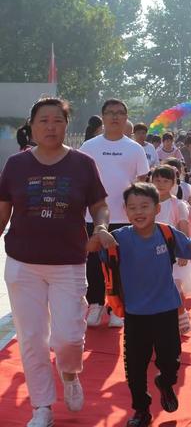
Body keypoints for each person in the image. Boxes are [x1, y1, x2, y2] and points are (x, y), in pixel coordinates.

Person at [0, 97, 116, 427]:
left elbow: (99, 205)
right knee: (32, 338)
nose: (50, 126)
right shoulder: (16, 165)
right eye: (43, 121)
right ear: (32, 126)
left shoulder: (81, 163)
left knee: (68, 337)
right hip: (23, 264)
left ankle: (70, 373)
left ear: (66, 125)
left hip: (69, 262)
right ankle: (42, 408)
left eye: (57, 121)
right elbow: (3, 210)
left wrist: (103, 226)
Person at [89, 182, 191, 427]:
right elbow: (89, 249)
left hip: (166, 311)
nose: (139, 212)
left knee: (171, 361)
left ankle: (165, 382)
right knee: (135, 367)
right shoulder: (118, 238)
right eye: (132, 208)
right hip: (135, 314)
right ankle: (141, 410)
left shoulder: (166, 233)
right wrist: (100, 232)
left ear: (157, 208)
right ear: (126, 212)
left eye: (144, 206)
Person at [80, 98, 150, 328]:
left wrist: (141, 214)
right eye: (110, 113)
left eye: (120, 113)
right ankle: (96, 305)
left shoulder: (135, 148)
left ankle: (118, 307)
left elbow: (142, 184)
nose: (115, 117)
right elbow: (79, 181)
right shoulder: (89, 146)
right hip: (93, 216)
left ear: (126, 117)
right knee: (93, 263)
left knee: (120, 264)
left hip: (124, 217)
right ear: (103, 116)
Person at [151, 166, 191, 335]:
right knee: (156, 290)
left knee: (174, 289)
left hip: (173, 254)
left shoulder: (178, 205)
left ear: (172, 183)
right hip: (151, 255)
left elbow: (184, 229)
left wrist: (183, 251)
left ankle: (181, 317)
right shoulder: (147, 203)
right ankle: (163, 323)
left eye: (165, 181)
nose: (161, 184)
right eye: (157, 180)